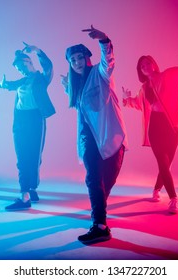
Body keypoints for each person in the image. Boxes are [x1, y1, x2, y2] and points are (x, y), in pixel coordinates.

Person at [61, 25, 128, 244]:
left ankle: (99, 214)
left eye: (80, 58)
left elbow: (108, 63)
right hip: (88, 139)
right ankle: (99, 225)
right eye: (73, 60)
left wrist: (104, 40)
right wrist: (67, 87)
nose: (77, 62)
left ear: (88, 58)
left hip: (110, 138)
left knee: (107, 181)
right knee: (92, 179)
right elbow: (83, 110)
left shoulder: (100, 74)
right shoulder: (76, 86)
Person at [122, 42, 178, 214]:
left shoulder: (169, 75)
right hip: (155, 125)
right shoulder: (144, 88)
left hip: (174, 125)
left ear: (154, 64)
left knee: (167, 163)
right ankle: (174, 199)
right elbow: (137, 104)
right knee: (162, 162)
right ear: (140, 71)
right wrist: (126, 99)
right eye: (142, 66)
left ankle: (156, 189)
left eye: (148, 63)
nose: (145, 67)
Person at [0, 42, 55, 211]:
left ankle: (28, 192)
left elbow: (48, 66)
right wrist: (4, 85)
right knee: (22, 155)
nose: (21, 70)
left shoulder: (41, 79)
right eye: (18, 68)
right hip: (20, 120)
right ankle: (26, 192)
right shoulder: (22, 80)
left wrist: (37, 50)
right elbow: (11, 85)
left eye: (22, 65)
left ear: (30, 62)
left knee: (35, 156)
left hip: (36, 119)